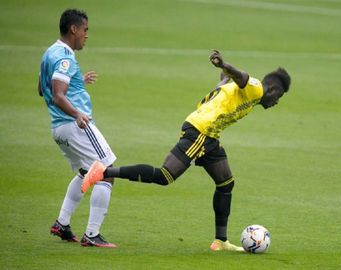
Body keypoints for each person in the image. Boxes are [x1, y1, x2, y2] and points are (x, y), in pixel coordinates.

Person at [81, 50, 291, 251]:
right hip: (201, 133)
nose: (276, 102)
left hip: (209, 136)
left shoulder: (242, 93)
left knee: (226, 183)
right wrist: (225, 66)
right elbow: (242, 76)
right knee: (165, 176)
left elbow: (222, 88)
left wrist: (223, 78)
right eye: (279, 97)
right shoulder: (257, 88)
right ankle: (103, 172)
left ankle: (220, 241)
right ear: (274, 90)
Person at [39, 9, 117, 248]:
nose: (86, 35)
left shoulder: (49, 52)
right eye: (85, 30)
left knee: (86, 172)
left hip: (59, 128)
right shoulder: (65, 56)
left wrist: (76, 82)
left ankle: (62, 223)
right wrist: (77, 113)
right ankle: (92, 235)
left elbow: (43, 89)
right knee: (107, 171)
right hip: (75, 124)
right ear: (73, 29)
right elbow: (57, 94)